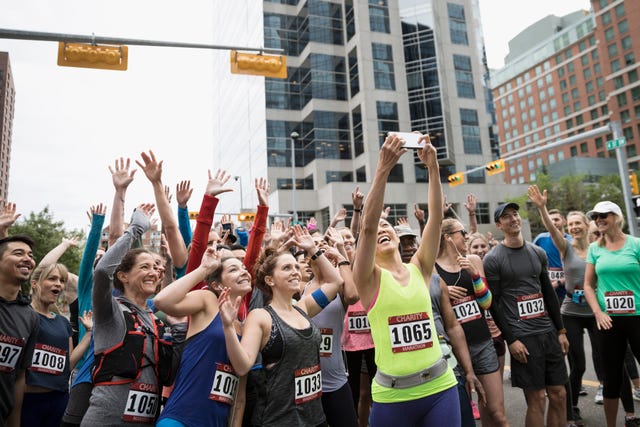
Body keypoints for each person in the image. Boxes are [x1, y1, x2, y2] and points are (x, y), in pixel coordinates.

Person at [352, 134, 459, 426]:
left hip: (440, 387)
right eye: (379, 228)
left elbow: (436, 217)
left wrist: (434, 169)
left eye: (390, 226)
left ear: (399, 238)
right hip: (392, 398)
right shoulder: (367, 279)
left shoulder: (420, 268)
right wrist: (383, 169)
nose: (383, 228)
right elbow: (369, 226)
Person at [219, 224, 344, 426]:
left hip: (315, 418)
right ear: (270, 280)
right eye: (287, 268)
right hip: (278, 420)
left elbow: (335, 281)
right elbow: (242, 367)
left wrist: (313, 250)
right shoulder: (260, 317)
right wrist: (227, 326)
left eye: (296, 266)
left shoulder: (303, 307)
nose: (295, 272)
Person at [81, 204, 176, 426]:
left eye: (155, 268)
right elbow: (103, 272)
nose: (153, 272)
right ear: (123, 276)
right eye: (144, 267)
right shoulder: (111, 311)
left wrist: (168, 263)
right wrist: (135, 229)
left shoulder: (156, 318)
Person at [483, 202, 569, 427]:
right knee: (538, 399)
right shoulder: (492, 259)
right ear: (499, 224)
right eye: (506, 216)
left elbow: (549, 293)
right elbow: (495, 304)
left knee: (559, 394)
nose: (513, 219)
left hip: (548, 332)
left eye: (515, 214)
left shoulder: (537, 252)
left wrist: (560, 330)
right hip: (523, 337)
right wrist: (511, 340)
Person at [527, 185, 607, 426]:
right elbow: (552, 230)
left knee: (602, 358)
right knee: (578, 364)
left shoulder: (597, 248)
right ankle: (571, 411)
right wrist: (541, 207)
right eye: (570, 225)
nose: (573, 227)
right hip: (571, 311)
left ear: (586, 224)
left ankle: (608, 393)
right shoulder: (565, 247)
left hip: (594, 311)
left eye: (577, 223)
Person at [154, 245, 252, 427]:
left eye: (244, 268)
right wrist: (204, 269)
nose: (244, 272)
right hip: (181, 418)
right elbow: (162, 301)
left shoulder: (246, 326)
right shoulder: (207, 300)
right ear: (217, 284)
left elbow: (239, 395)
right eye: (234, 269)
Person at [435, 218, 508, 426]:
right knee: (463, 414)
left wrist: (475, 275)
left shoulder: (474, 260)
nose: (467, 236)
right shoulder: (433, 268)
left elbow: (486, 303)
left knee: (496, 412)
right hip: (453, 348)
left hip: (482, 342)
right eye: (462, 232)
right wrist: (443, 291)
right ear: (448, 238)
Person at [583, 201, 640, 427]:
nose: (598, 220)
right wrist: (598, 313)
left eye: (603, 215)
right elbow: (588, 285)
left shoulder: (636, 244)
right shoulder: (595, 249)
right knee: (612, 377)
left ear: (616, 217)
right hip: (608, 320)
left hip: (637, 316)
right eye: (595, 216)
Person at [21, 263, 92, 427]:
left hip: (58, 400)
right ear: (35, 283)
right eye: (52, 278)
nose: (58, 284)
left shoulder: (63, 322)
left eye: (61, 280)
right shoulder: (23, 314)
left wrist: (89, 334)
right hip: (27, 401)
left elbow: (68, 365)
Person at [302, 226, 359, 427]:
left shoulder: (339, 285)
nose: (320, 248)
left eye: (324, 245)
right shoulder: (301, 287)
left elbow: (353, 296)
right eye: (315, 246)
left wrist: (341, 250)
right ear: (307, 258)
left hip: (335, 381)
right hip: (306, 380)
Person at [0, 235, 39, 427]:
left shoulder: (30, 317)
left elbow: (19, 377)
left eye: (30, 255)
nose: (28, 259)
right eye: (18, 253)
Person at [533, 208, 572, 301]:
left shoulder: (572, 241)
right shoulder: (540, 239)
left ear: (564, 221)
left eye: (556, 219)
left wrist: (558, 282)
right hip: (548, 293)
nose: (553, 222)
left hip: (569, 293)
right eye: (550, 220)